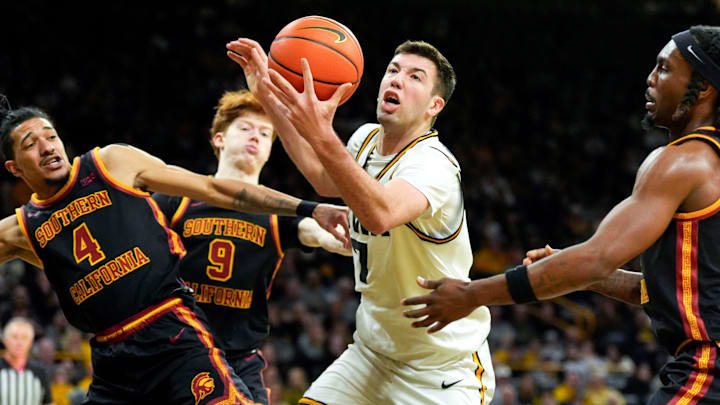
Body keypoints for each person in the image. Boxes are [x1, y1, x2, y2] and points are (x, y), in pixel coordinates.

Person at [401, 25, 720, 404]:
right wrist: (583, 277)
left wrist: (472, 294)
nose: (650, 79)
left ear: (702, 88)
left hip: (708, 370)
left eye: (665, 69)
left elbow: (595, 257)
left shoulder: (683, 162)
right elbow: (680, 293)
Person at [0, 101, 350, 404]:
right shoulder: (22, 228)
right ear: (14, 168)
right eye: (31, 144)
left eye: (50, 135)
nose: (47, 147)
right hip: (113, 360)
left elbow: (214, 189)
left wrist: (307, 208)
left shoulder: (111, 164)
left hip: (171, 333)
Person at [226, 38, 495, 404]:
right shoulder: (365, 139)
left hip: (441, 372)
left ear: (435, 106)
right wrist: (266, 96)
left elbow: (379, 214)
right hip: (371, 354)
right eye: (393, 71)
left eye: (415, 77)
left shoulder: (434, 164)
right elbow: (323, 177)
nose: (397, 80)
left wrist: (321, 132)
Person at [152, 89, 351, 404]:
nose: (255, 137)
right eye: (245, 128)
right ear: (219, 139)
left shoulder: (279, 212)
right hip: (177, 348)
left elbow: (320, 233)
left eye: (264, 133)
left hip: (239, 356)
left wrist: (352, 239)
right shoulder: (179, 198)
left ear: (270, 152)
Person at [0, 317, 53, 405]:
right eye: (14, 337)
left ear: (31, 342)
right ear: (4, 339)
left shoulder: (40, 372)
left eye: (24, 338)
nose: (19, 342)